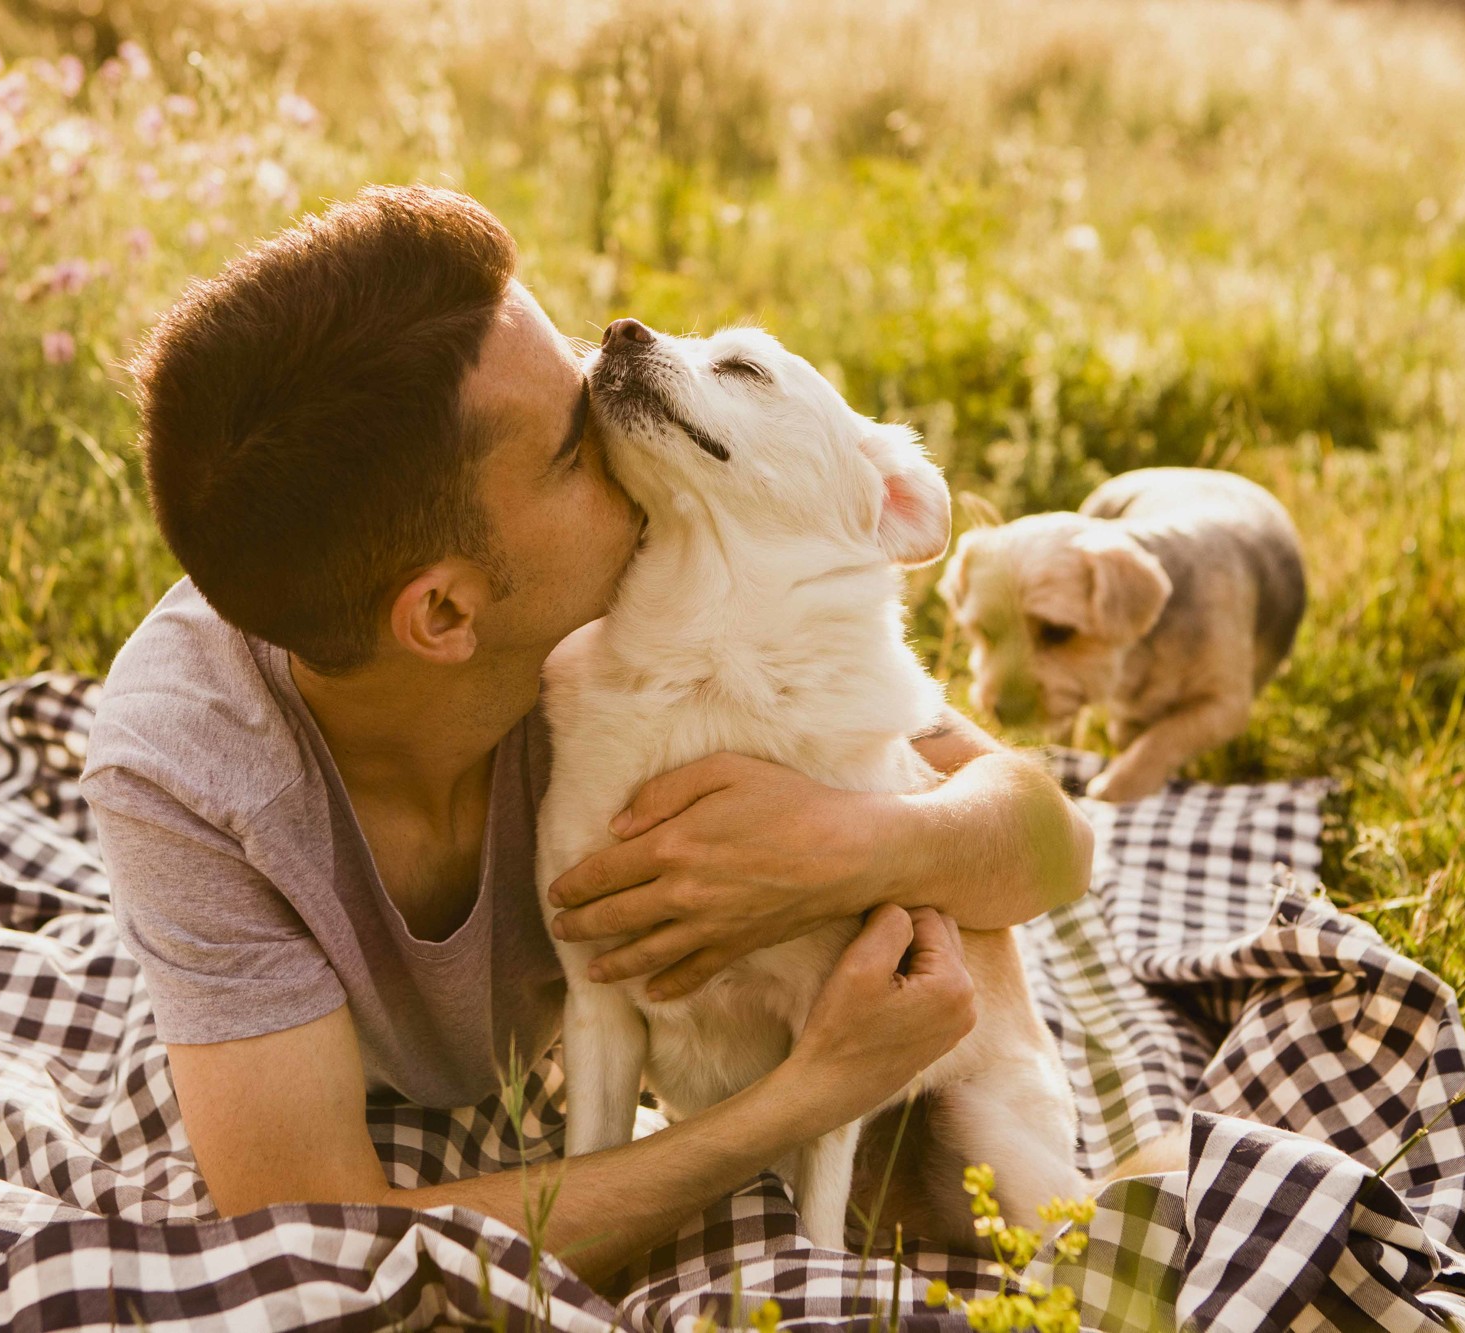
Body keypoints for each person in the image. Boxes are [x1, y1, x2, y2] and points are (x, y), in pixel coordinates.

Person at [76, 184, 1093, 1286]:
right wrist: (807, 1093)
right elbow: (320, 1237)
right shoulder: (186, 774)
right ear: (446, 614)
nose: (612, 392)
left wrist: (843, 846)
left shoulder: (662, 581)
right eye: (571, 447)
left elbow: (1048, 837)